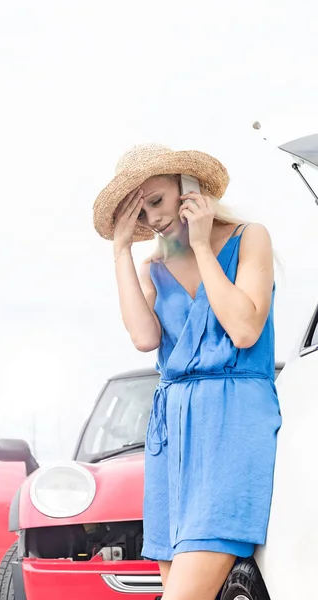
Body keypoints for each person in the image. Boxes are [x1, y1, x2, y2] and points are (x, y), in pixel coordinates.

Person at [93, 143, 282, 600]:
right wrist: (120, 249)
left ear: (188, 188)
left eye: (155, 200)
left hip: (233, 420)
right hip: (172, 433)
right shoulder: (152, 268)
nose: (152, 218)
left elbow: (243, 329)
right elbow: (144, 338)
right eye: (139, 209)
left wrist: (200, 245)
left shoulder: (249, 237)